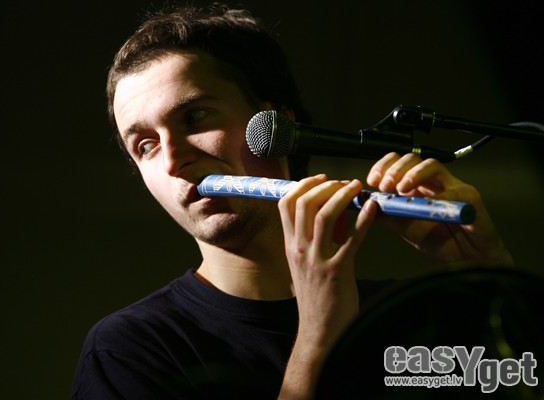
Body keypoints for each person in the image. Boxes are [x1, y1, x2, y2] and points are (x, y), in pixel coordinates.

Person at [72, 4, 514, 399]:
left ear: (279, 126)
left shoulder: (409, 319)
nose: (173, 161)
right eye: (145, 145)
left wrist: (491, 275)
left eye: (195, 116)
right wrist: (320, 334)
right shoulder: (128, 350)